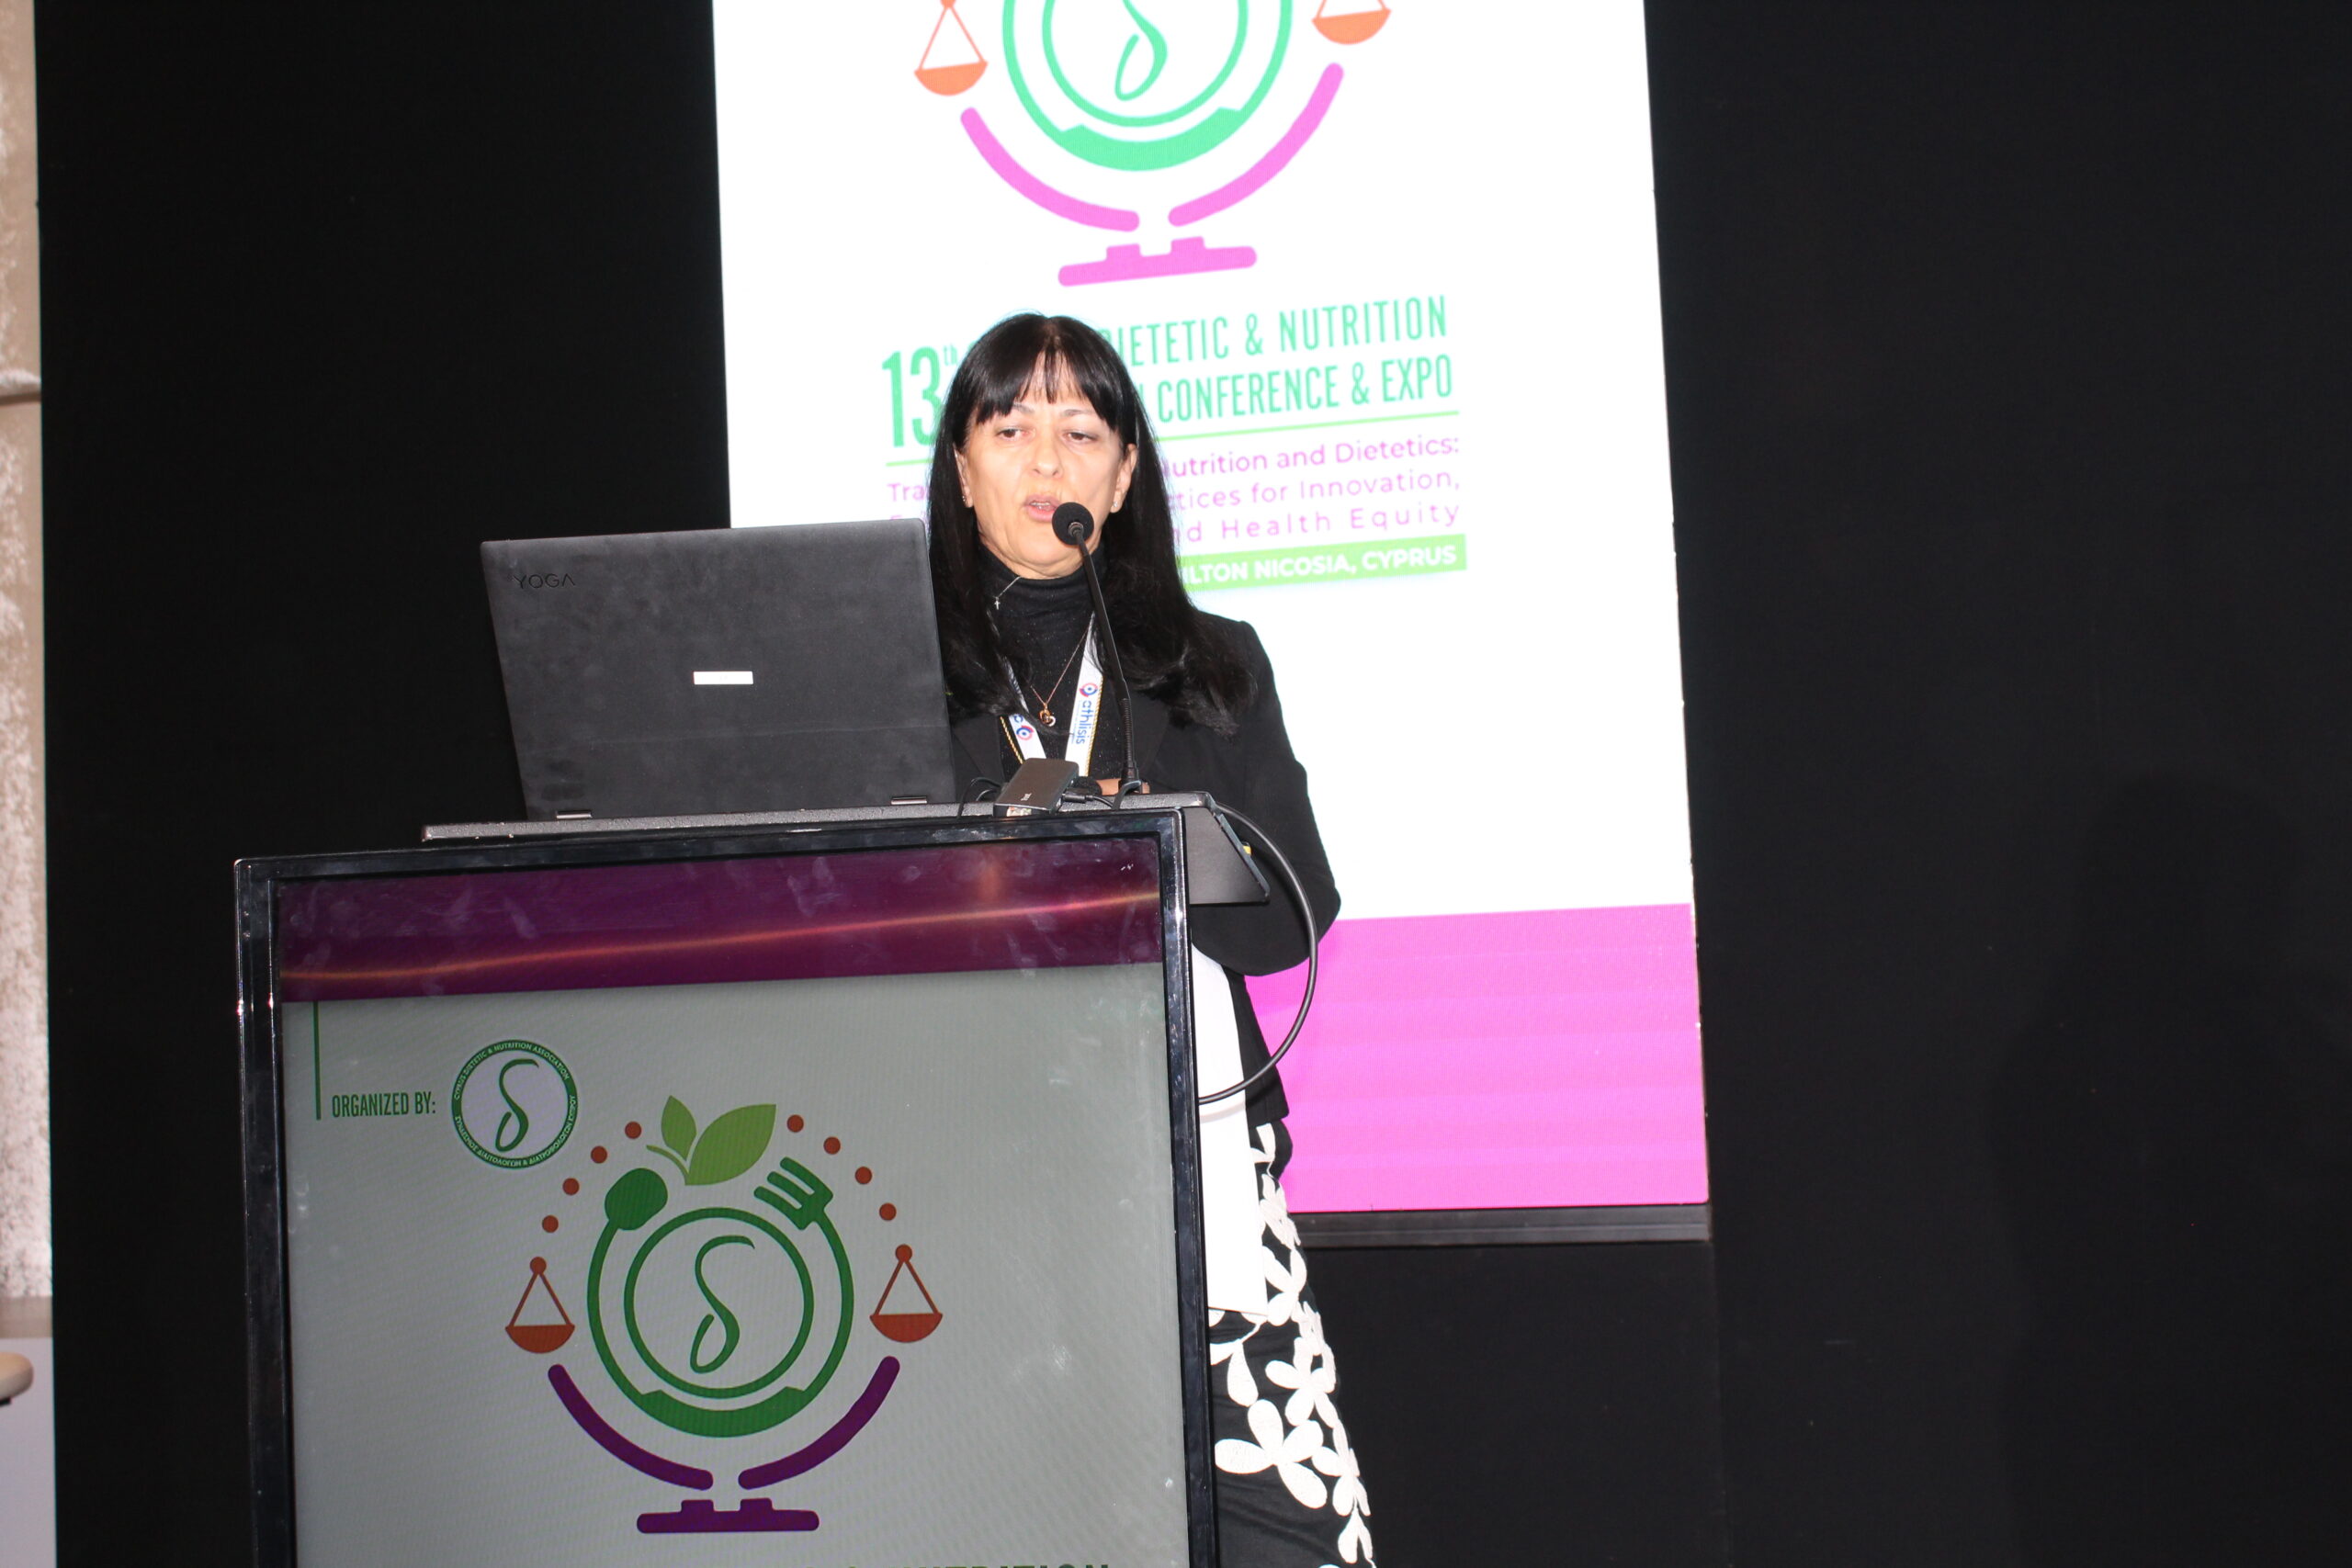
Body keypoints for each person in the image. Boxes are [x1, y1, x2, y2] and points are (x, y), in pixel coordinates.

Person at [925, 312, 1376, 1568]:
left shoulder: (1208, 665)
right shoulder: (899, 684)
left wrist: (1151, 831)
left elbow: (1289, 917)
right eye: (1010, 428)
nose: (1046, 461)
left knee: (1296, 1535)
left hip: (1195, 1156)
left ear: (1124, 478)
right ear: (961, 468)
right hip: (964, 1166)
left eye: (1082, 433)